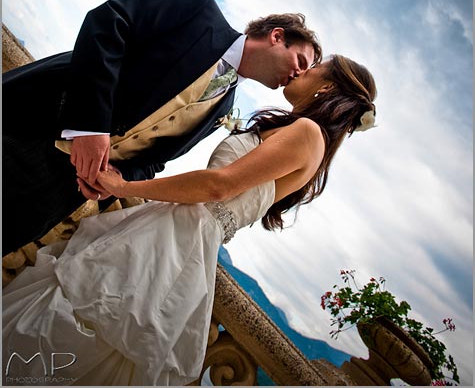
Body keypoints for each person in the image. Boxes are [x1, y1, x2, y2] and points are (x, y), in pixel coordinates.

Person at [3, 55, 376, 386]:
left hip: (176, 241)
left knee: (75, 322)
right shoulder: (306, 137)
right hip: (173, 235)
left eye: (314, 68)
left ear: (326, 86)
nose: (303, 71)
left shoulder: (309, 134)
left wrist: (125, 183)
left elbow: (219, 186)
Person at [3, 0, 320, 255]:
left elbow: (156, 158)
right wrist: (90, 127)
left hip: (63, 191)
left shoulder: (223, 108)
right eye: (300, 61)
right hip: (31, 127)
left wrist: (114, 180)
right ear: (277, 36)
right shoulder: (200, 10)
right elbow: (109, 22)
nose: (298, 75)